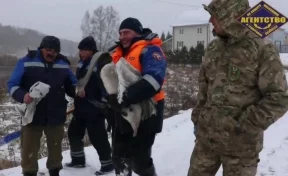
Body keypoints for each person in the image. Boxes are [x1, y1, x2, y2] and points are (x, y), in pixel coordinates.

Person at [188, 0, 288, 175]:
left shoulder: (262, 49)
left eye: (215, 15)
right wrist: (198, 118)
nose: (211, 20)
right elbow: (204, 88)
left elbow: (279, 98)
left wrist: (244, 125)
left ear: (230, 17)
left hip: (241, 148)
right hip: (207, 141)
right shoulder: (213, 48)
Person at [7, 36, 77, 176]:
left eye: (55, 51)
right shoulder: (26, 61)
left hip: (56, 115)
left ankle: (54, 170)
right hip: (32, 115)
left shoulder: (63, 64)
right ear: (41, 49)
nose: (52, 54)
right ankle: (29, 172)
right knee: (29, 151)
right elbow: (12, 84)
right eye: (49, 50)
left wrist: (77, 90)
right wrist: (23, 95)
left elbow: (72, 83)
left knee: (56, 150)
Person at [106, 17, 167, 176]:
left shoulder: (150, 50)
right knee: (120, 156)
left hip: (148, 112)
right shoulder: (119, 54)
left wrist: (126, 96)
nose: (122, 36)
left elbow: (154, 80)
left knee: (139, 161)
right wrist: (110, 101)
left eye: (126, 32)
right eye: (120, 33)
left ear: (137, 33)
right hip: (123, 113)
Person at [65, 36, 114, 176]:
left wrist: (103, 101)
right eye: (79, 50)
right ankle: (78, 160)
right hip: (81, 106)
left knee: (98, 137)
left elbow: (107, 84)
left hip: (95, 107)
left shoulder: (102, 62)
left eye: (83, 50)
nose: (80, 52)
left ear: (91, 50)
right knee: (74, 132)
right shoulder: (82, 62)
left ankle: (107, 164)